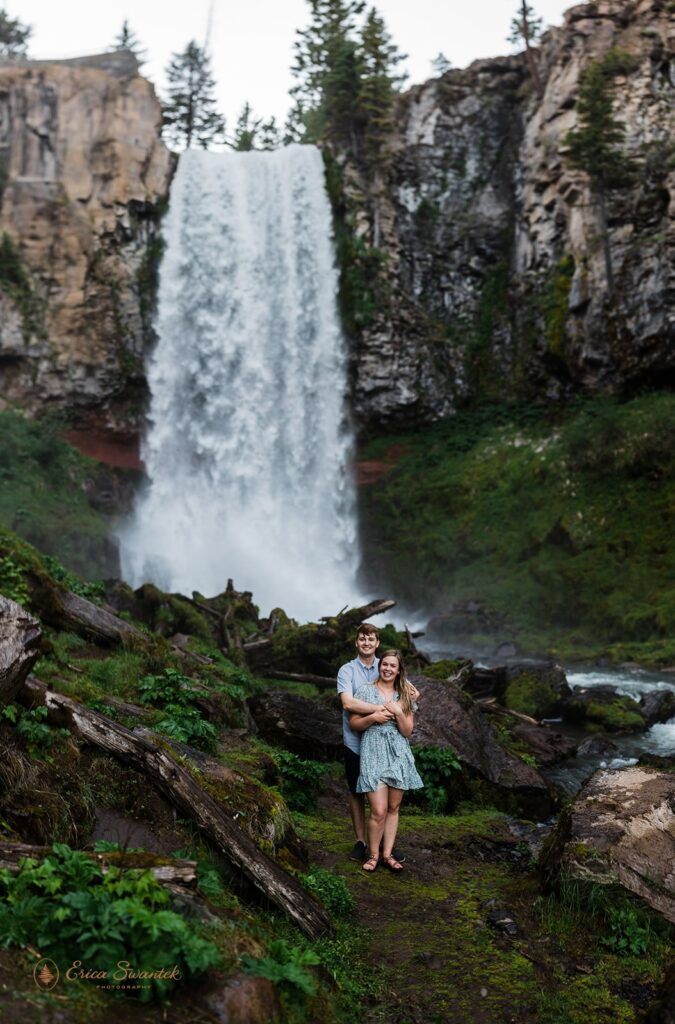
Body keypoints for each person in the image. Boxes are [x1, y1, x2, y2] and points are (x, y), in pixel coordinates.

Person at [350, 649, 423, 873]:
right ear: (380, 666)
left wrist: (398, 712)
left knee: (393, 807)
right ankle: (373, 855)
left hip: (398, 753)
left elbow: (407, 730)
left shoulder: (405, 695)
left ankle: (388, 854)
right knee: (378, 810)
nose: (388, 668)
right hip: (373, 751)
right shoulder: (365, 691)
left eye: (393, 666)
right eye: (385, 664)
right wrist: (373, 717)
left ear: (399, 670)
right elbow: (354, 724)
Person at [336, 623, 394, 861]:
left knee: (383, 795)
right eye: (362, 639)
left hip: (381, 743)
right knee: (356, 791)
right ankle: (361, 841)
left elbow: (406, 691)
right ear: (356, 642)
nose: (367, 643)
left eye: (371, 639)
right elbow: (348, 704)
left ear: (377, 643)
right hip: (355, 742)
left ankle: (381, 846)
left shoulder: (386, 665)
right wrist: (380, 709)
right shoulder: (347, 671)